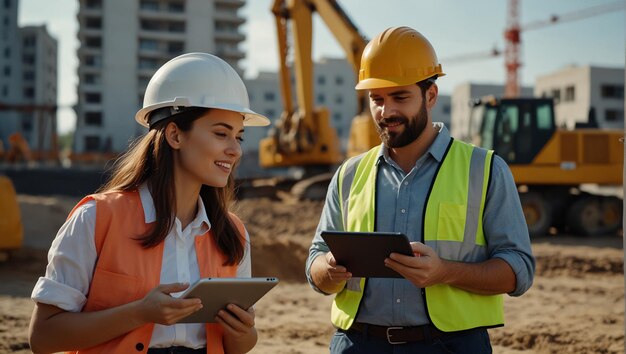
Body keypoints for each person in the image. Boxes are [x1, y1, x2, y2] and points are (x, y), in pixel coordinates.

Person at [306, 27, 535, 353]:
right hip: (357, 343)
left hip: (451, 345)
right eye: (377, 100)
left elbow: (519, 271)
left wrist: (445, 272)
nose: (386, 112)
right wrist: (328, 270)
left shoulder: (484, 170)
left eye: (400, 97)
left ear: (430, 95)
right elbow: (314, 264)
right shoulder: (348, 174)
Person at [29, 53, 270, 354]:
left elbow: (240, 346)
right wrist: (139, 314)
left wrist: (242, 330)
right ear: (174, 135)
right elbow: (43, 336)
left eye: (239, 137)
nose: (235, 150)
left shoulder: (233, 234)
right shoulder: (96, 218)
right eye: (221, 133)